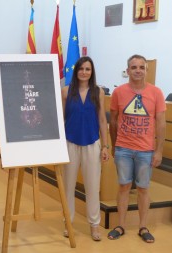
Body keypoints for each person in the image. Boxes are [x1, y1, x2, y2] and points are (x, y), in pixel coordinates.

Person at [107, 54, 166, 243]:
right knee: (123, 186)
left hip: (146, 150)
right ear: (128, 70)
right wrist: (115, 145)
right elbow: (114, 121)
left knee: (143, 188)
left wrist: (159, 150)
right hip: (123, 148)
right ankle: (121, 225)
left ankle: (143, 226)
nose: (138, 70)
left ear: (146, 70)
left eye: (141, 67)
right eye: (134, 67)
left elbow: (161, 123)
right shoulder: (119, 93)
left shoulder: (156, 92)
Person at [61, 56, 109, 241]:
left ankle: (94, 225)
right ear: (76, 71)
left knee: (92, 187)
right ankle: (68, 222)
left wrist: (105, 146)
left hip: (92, 143)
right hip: (70, 142)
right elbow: (61, 119)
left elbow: (102, 120)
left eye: (88, 69)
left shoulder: (98, 92)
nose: (84, 72)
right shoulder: (66, 91)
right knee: (68, 186)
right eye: (81, 68)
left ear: (92, 72)